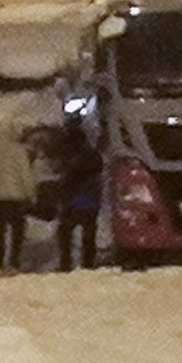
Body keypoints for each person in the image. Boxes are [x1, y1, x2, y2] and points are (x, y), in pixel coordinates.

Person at [0, 116, 40, 272]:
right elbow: (25, 174)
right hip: (16, 197)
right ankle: (14, 261)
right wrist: (31, 193)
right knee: (17, 230)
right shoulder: (18, 150)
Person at [55, 115, 103, 271]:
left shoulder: (67, 151)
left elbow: (67, 175)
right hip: (89, 196)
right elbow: (98, 167)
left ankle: (66, 262)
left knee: (65, 230)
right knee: (88, 229)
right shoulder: (90, 152)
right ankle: (88, 261)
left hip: (74, 197)